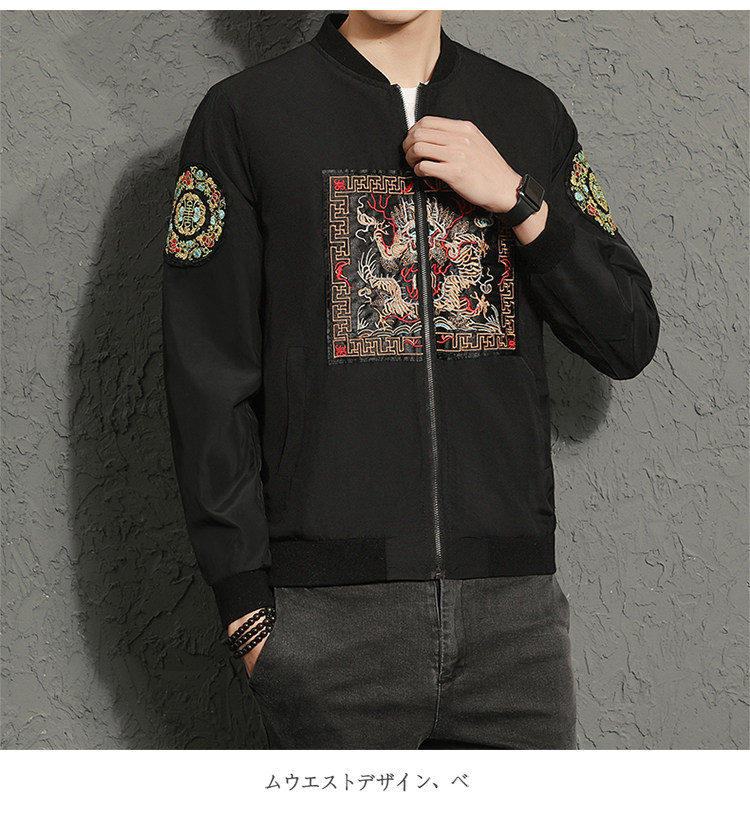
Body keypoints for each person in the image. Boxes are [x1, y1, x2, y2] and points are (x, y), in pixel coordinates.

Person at [161, 10, 659, 749]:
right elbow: (205, 378)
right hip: (328, 627)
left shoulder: (527, 112)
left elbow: (628, 334)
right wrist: (246, 611)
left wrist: (519, 200)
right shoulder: (246, 116)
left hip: (515, 629)